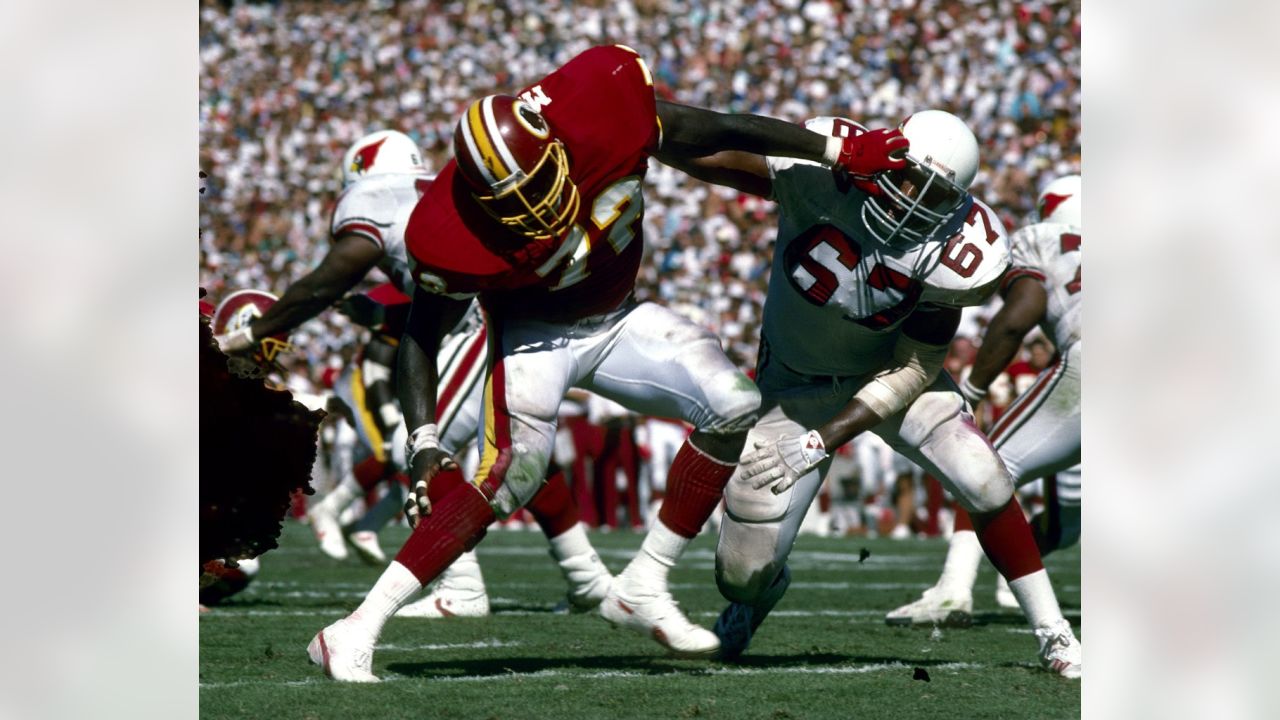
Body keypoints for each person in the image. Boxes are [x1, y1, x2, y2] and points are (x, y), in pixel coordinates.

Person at [306, 44, 909, 682]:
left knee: (733, 402)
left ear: (555, 146)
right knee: (508, 475)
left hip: (618, 318)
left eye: (538, 183)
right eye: (513, 201)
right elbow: (418, 333)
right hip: (534, 335)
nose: (537, 207)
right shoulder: (447, 232)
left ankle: (644, 582)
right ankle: (353, 630)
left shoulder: (603, 105)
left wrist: (837, 152)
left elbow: (712, 125)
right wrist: (423, 439)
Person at [665, 111, 1082, 678]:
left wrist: (826, 439)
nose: (912, 198)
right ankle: (763, 594)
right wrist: (645, 136)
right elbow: (713, 149)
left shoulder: (962, 254)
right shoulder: (824, 173)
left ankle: (1054, 634)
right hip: (793, 383)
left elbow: (915, 366)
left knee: (984, 475)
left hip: (888, 375)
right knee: (740, 573)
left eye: (934, 192)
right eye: (909, 177)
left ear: (957, 200)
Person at [216, 130, 613, 617]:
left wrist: (262, 328)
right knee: (515, 450)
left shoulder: (375, 196)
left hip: (479, 321)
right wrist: (379, 318)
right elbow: (424, 310)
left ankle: (460, 585)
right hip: (506, 313)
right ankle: (586, 575)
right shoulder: (435, 185)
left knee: (427, 442)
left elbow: (335, 274)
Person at [887, 174, 1082, 625]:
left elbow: (1018, 317)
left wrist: (974, 387)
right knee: (1069, 523)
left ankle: (953, 589)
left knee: (984, 464)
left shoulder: (1041, 238)